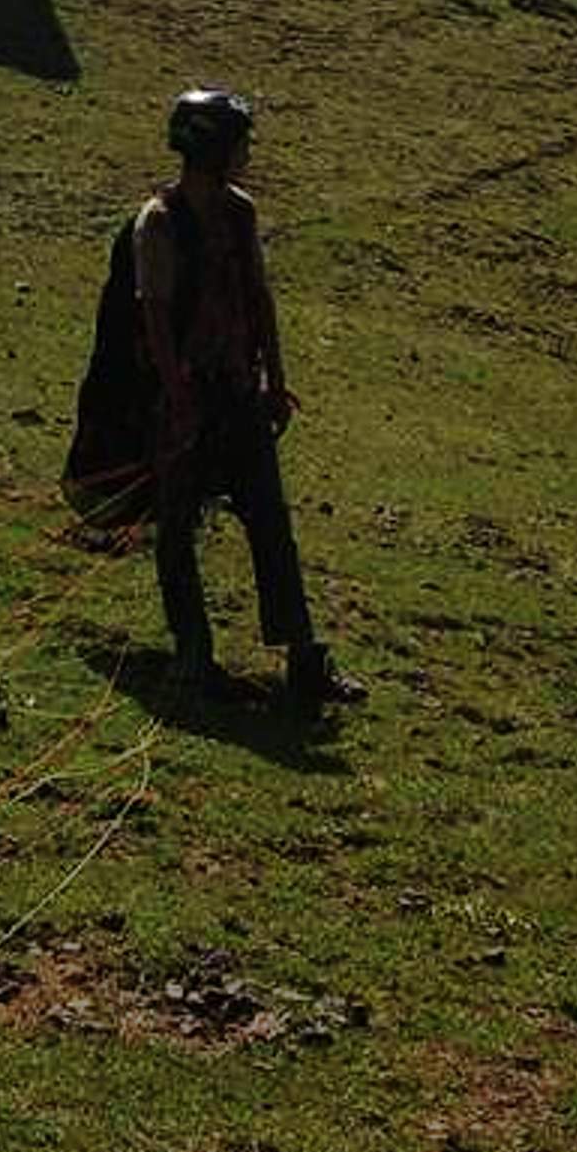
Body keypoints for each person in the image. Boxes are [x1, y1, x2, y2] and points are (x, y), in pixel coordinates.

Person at [134, 87, 352, 711]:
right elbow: (155, 319)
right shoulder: (160, 223)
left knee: (272, 526)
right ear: (216, 149)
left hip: (237, 393)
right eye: (241, 143)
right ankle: (193, 655)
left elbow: (259, 298)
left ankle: (303, 659)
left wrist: (275, 381)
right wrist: (177, 401)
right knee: (176, 530)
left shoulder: (240, 212)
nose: (248, 153)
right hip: (190, 400)